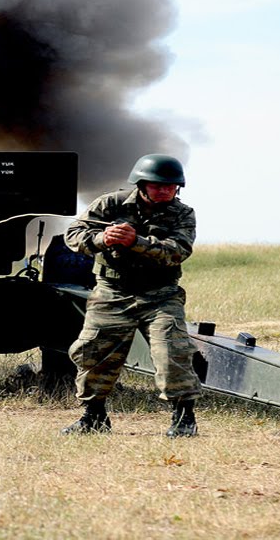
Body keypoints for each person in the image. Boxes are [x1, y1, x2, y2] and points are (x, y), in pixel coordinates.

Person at [62, 153, 202, 437]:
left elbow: (178, 251)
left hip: (161, 295)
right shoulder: (109, 204)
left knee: (172, 352)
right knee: (93, 353)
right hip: (112, 292)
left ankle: (184, 418)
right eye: (157, 185)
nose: (164, 190)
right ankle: (93, 417)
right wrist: (102, 239)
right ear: (141, 184)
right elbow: (73, 235)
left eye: (170, 186)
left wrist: (135, 242)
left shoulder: (183, 214)